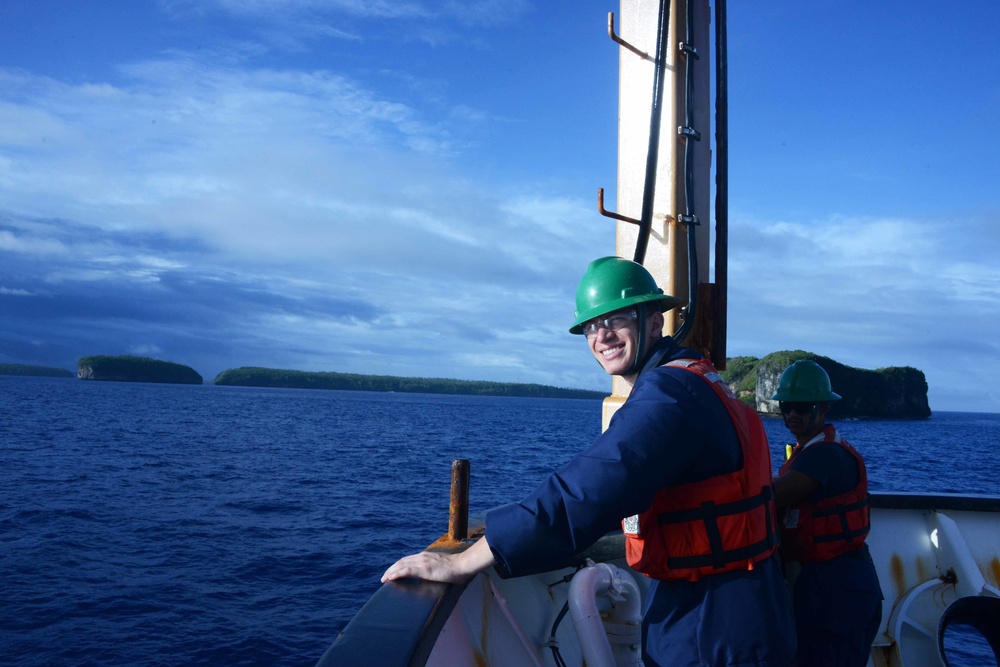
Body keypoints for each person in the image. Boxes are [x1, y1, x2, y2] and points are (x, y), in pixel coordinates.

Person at [383, 256, 795, 667]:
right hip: (745, 596)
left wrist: (465, 561)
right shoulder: (697, 379)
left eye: (617, 319)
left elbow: (587, 490)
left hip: (713, 618)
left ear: (654, 321)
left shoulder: (669, 395)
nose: (602, 335)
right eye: (590, 326)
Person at [771, 360, 884, 667]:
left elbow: (773, 496)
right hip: (830, 584)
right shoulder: (815, 451)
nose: (792, 414)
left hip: (838, 589)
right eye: (786, 406)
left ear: (822, 409)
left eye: (802, 407)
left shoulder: (823, 456)